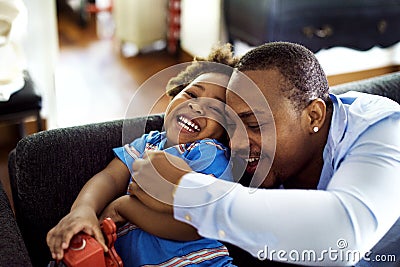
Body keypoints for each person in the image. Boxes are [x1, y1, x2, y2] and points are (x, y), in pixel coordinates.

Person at [129, 42, 400, 266]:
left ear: (313, 116)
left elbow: (344, 237)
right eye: (230, 125)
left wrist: (185, 190)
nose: (238, 144)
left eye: (254, 124)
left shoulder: (384, 127)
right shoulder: (245, 159)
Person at [46, 44, 240, 266]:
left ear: (226, 131)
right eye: (192, 94)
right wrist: (83, 209)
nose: (197, 107)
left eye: (215, 109)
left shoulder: (209, 152)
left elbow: (197, 224)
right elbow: (109, 177)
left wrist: (125, 208)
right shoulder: (148, 143)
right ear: (176, 94)